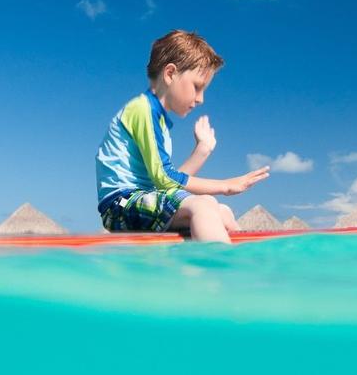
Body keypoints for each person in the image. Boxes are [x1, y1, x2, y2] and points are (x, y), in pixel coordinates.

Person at [94, 30, 269, 242]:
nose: (201, 99)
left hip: (143, 200)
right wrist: (226, 186)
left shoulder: (158, 120)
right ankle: (222, 262)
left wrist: (202, 150)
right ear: (170, 74)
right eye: (197, 87)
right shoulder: (142, 110)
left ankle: (244, 257)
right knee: (204, 204)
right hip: (120, 205)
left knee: (222, 212)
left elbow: (167, 184)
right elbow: (166, 179)